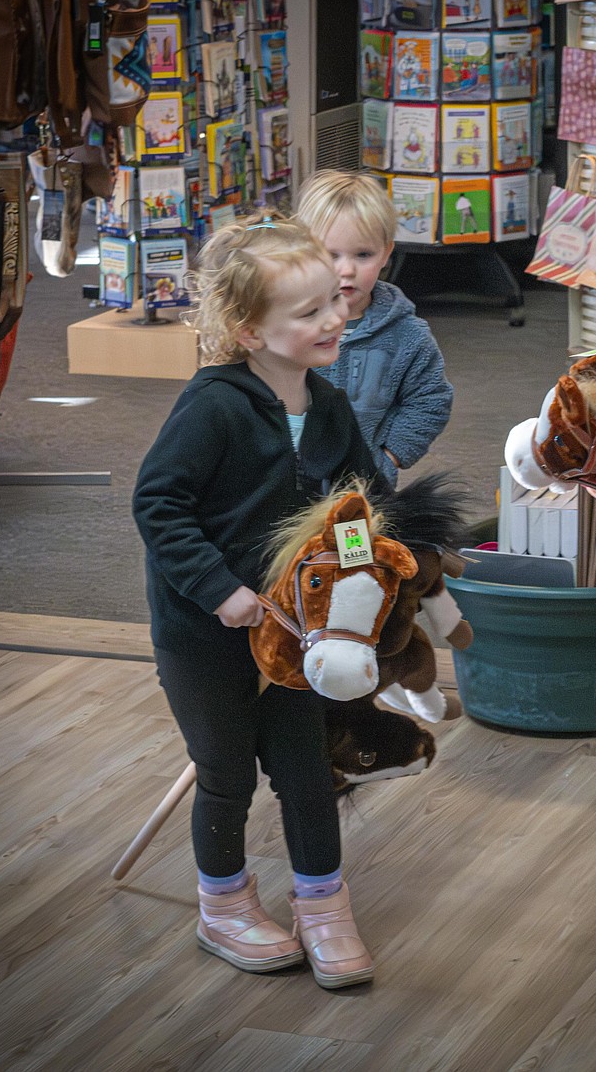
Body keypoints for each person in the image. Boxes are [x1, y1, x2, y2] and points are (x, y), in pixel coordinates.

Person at [132, 212, 385, 990]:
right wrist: (221, 592)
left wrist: (358, 582)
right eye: (307, 313)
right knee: (226, 773)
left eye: (333, 304)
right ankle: (224, 906)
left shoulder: (330, 405)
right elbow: (158, 506)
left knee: (309, 772)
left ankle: (322, 905)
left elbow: (358, 504)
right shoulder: (212, 407)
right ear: (248, 330)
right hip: (203, 637)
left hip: (297, 638)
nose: (333, 319)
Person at [296, 169, 453, 485]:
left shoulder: (408, 336)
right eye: (331, 255)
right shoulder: (287, 327)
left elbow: (431, 399)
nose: (347, 270)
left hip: (364, 496)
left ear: (386, 253)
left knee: (356, 537)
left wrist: (389, 457)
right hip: (285, 494)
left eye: (363, 254)